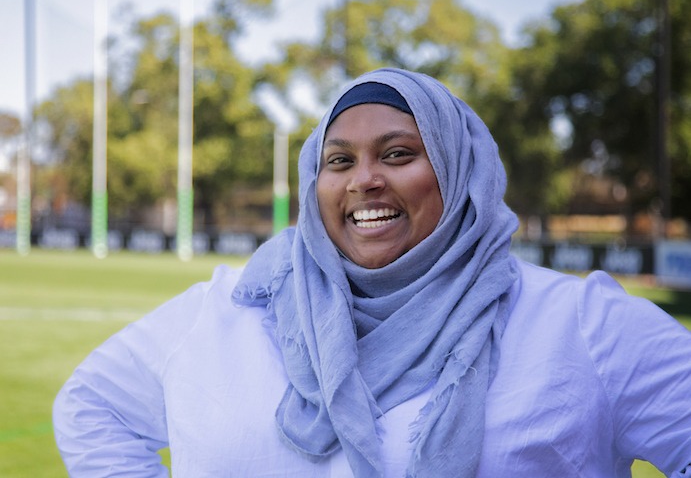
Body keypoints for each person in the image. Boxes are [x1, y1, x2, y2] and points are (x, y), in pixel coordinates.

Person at [53, 68, 691, 477]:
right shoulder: (227, 310)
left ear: (458, 171)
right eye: (338, 160)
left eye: (398, 153)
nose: (365, 180)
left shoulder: (579, 324)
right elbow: (90, 407)